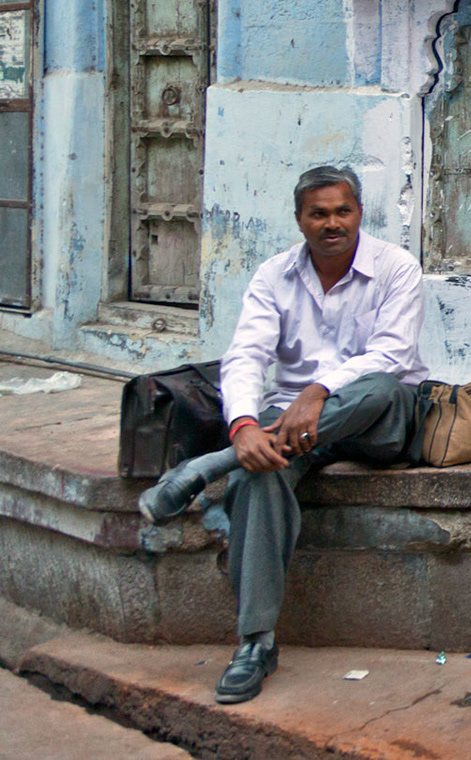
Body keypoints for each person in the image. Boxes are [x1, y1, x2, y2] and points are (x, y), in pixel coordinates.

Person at [136, 165, 427, 705]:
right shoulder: (274, 275)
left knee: (382, 387)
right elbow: (246, 354)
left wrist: (317, 391)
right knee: (258, 478)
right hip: (285, 424)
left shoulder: (396, 267)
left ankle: (207, 467)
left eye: (343, 211)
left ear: (360, 213)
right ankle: (255, 642)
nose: (332, 223)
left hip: (374, 421)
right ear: (299, 219)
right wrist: (245, 426)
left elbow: (394, 354)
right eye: (318, 214)